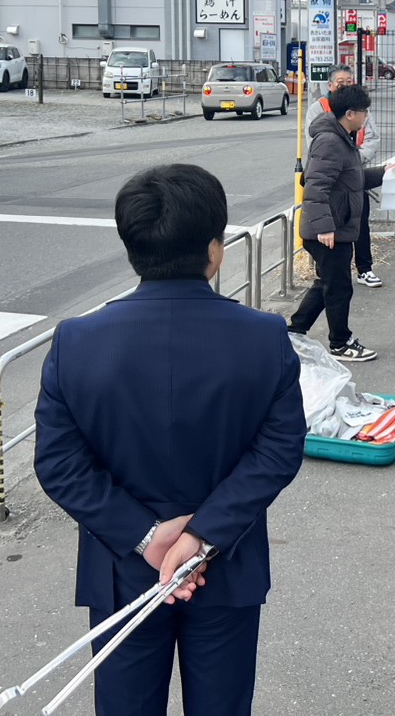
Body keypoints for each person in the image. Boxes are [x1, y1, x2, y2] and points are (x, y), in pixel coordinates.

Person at [35, 163, 306, 715]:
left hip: (123, 569)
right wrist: (202, 535)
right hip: (225, 566)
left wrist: (146, 536)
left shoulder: (77, 342)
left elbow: (59, 463)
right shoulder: (263, 338)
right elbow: (279, 448)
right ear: (216, 247)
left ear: (132, 247)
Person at [288, 83, 384, 361]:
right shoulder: (331, 141)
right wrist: (325, 227)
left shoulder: (342, 136)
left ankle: (295, 330)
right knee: (339, 286)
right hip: (329, 230)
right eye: (364, 112)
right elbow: (316, 186)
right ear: (351, 113)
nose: (367, 117)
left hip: (335, 226)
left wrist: (384, 173)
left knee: (327, 281)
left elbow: (350, 180)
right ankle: (340, 342)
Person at [306, 68, 383, 288]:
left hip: (356, 177)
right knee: (334, 283)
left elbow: (372, 138)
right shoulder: (320, 113)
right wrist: (347, 160)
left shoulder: (359, 106)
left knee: (360, 226)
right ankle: (325, 280)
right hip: (335, 184)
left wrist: (356, 160)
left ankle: (364, 269)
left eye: (349, 80)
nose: (345, 84)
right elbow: (317, 183)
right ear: (330, 85)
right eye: (340, 81)